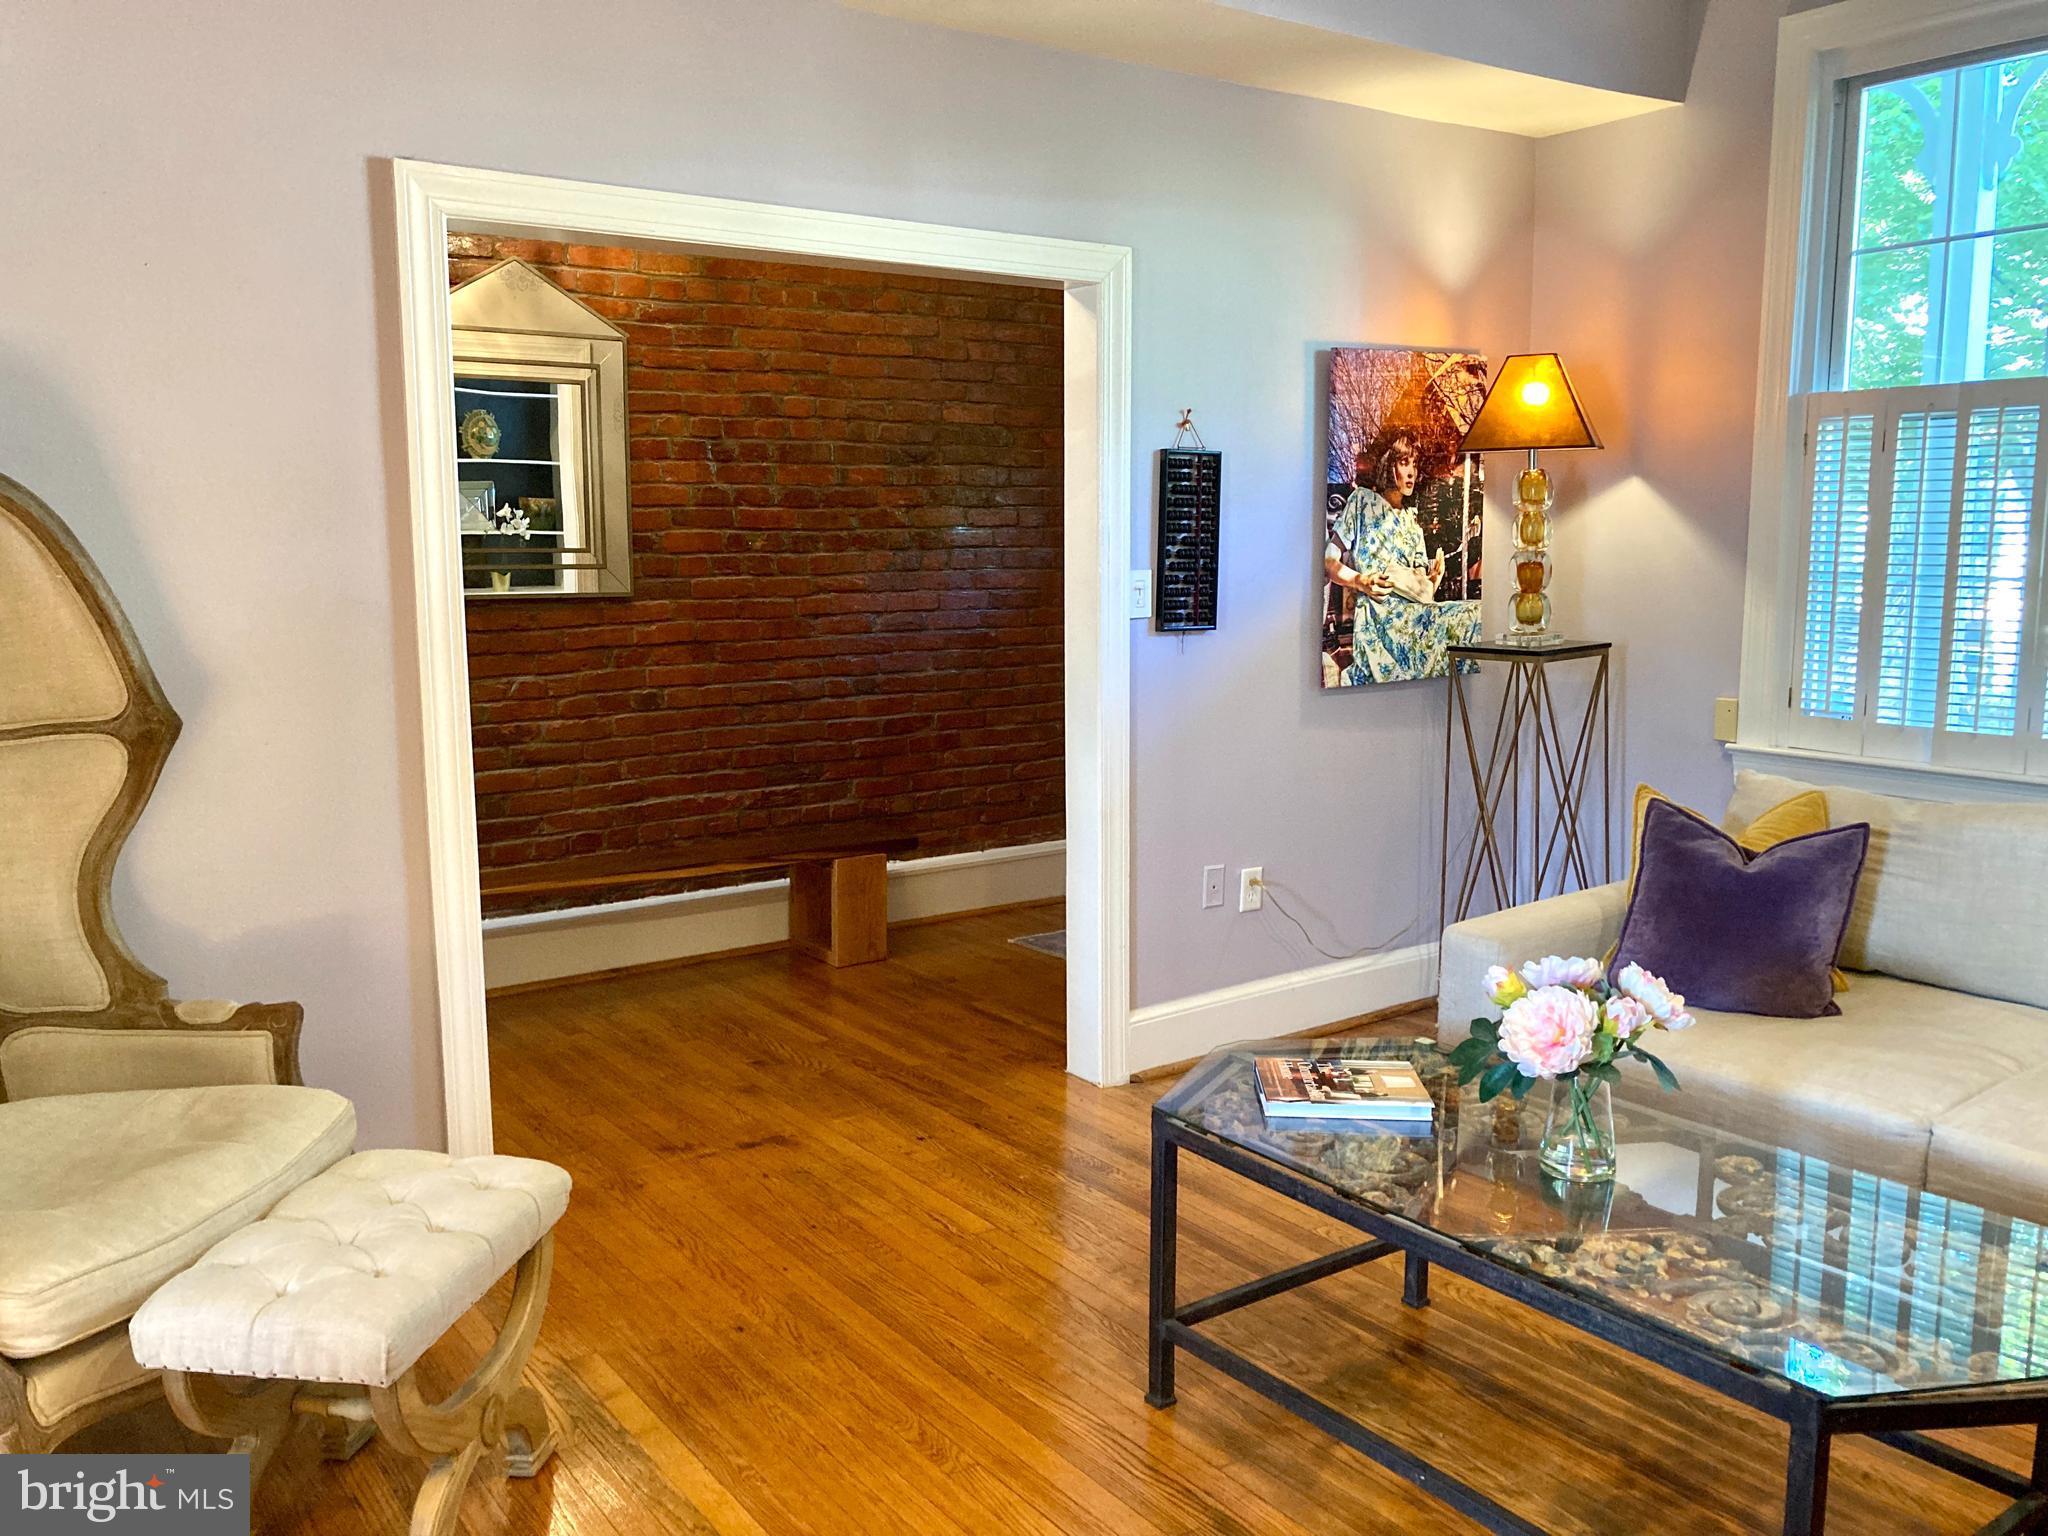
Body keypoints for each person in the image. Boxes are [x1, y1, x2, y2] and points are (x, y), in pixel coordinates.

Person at [1323, 434, 1478, 683]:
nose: (1411, 473)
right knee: (1472, 618)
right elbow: (1329, 560)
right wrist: (1360, 581)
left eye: (1414, 465)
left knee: (1478, 615)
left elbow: (1420, 588)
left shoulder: (1412, 521)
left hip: (1415, 615)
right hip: (1381, 621)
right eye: (1404, 463)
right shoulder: (1362, 501)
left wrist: (1432, 580)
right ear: (1388, 464)